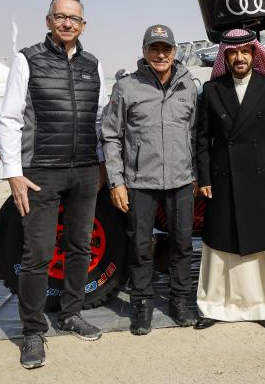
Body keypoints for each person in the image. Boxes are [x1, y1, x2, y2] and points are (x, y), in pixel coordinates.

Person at [0, 0, 108, 369]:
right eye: (60, 17)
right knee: (38, 254)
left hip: (84, 170)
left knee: (79, 247)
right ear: (48, 21)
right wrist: (14, 172)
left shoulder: (94, 64)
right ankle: (32, 331)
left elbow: (99, 120)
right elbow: (10, 119)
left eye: (73, 19)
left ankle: (71, 313)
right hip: (41, 171)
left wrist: (102, 163)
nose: (66, 24)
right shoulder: (27, 59)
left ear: (83, 25)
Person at [101, 24, 197, 335]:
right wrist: (116, 181)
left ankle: (180, 299)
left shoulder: (188, 87)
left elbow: (195, 135)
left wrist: (195, 174)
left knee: (182, 245)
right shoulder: (127, 87)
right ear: (144, 52)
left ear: (174, 52)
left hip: (181, 181)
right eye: (154, 48)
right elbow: (111, 136)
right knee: (141, 245)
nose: (160, 54)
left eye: (165, 48)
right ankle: (142, 303)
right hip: (140, 182)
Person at [194, 28, 265, 330]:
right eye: (232, 53)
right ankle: (215, 307)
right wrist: (205, 176)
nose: (239, 57)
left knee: (263, 244)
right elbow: (202, 139)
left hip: (263, 179)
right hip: (223, 180)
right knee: (221, 243)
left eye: (244, 52)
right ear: (226, 56)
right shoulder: (212, 90)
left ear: (254, 54)